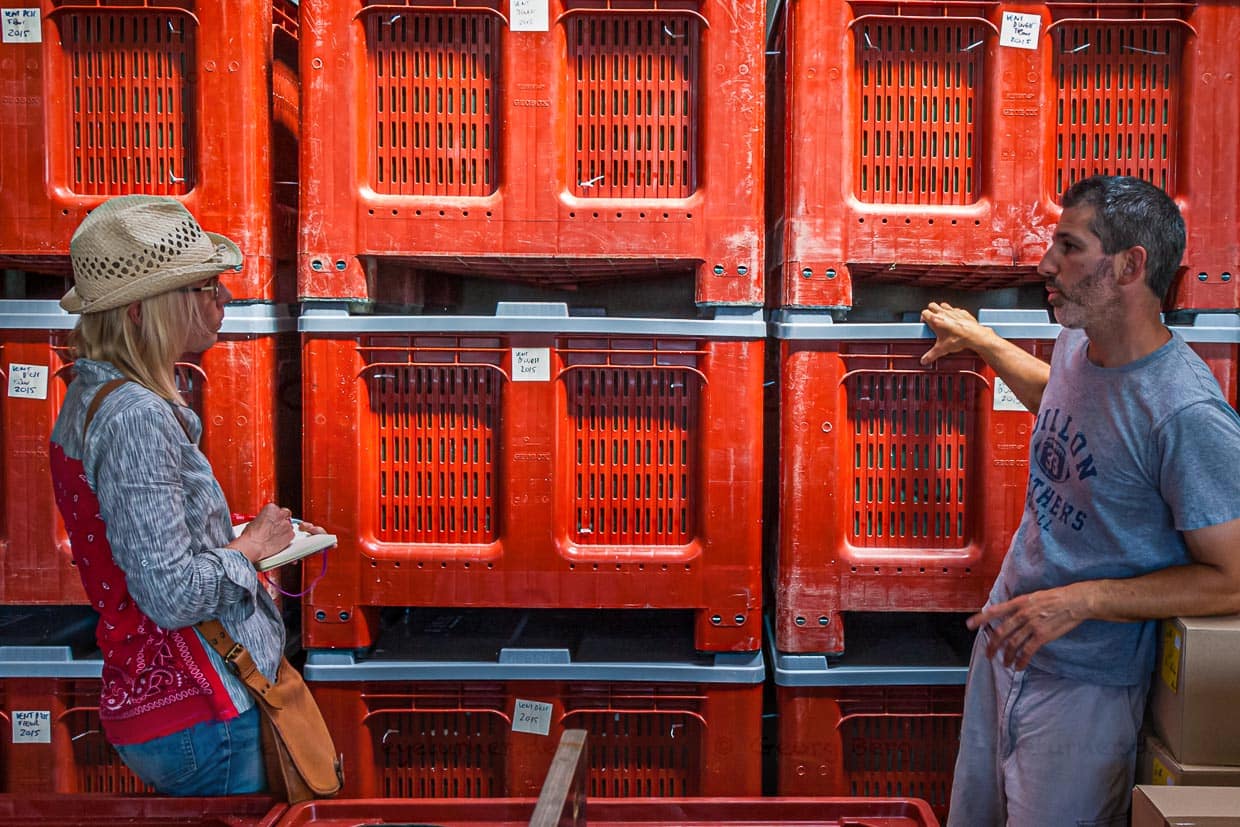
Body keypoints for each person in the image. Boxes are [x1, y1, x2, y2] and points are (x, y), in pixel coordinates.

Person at [920, 175, 1240, 826]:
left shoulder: (1184, 413)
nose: (1046, 264)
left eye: (1069, 246)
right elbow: (1065, 403)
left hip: (1084, 689)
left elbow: (1234, 575)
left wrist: (1083, 599)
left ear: (1130, 265)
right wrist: (986, 344)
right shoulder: (1080, 340)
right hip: (1009, 639)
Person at [48, 195, 322, 795]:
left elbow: (142, 550)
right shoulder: (136, 417)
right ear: (146, 310)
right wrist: (251, 548)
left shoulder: (95, 399)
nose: (222, 300)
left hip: (170, 704)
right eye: (205, 287)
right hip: (204, 710)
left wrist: (228, 537)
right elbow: (172, 595)